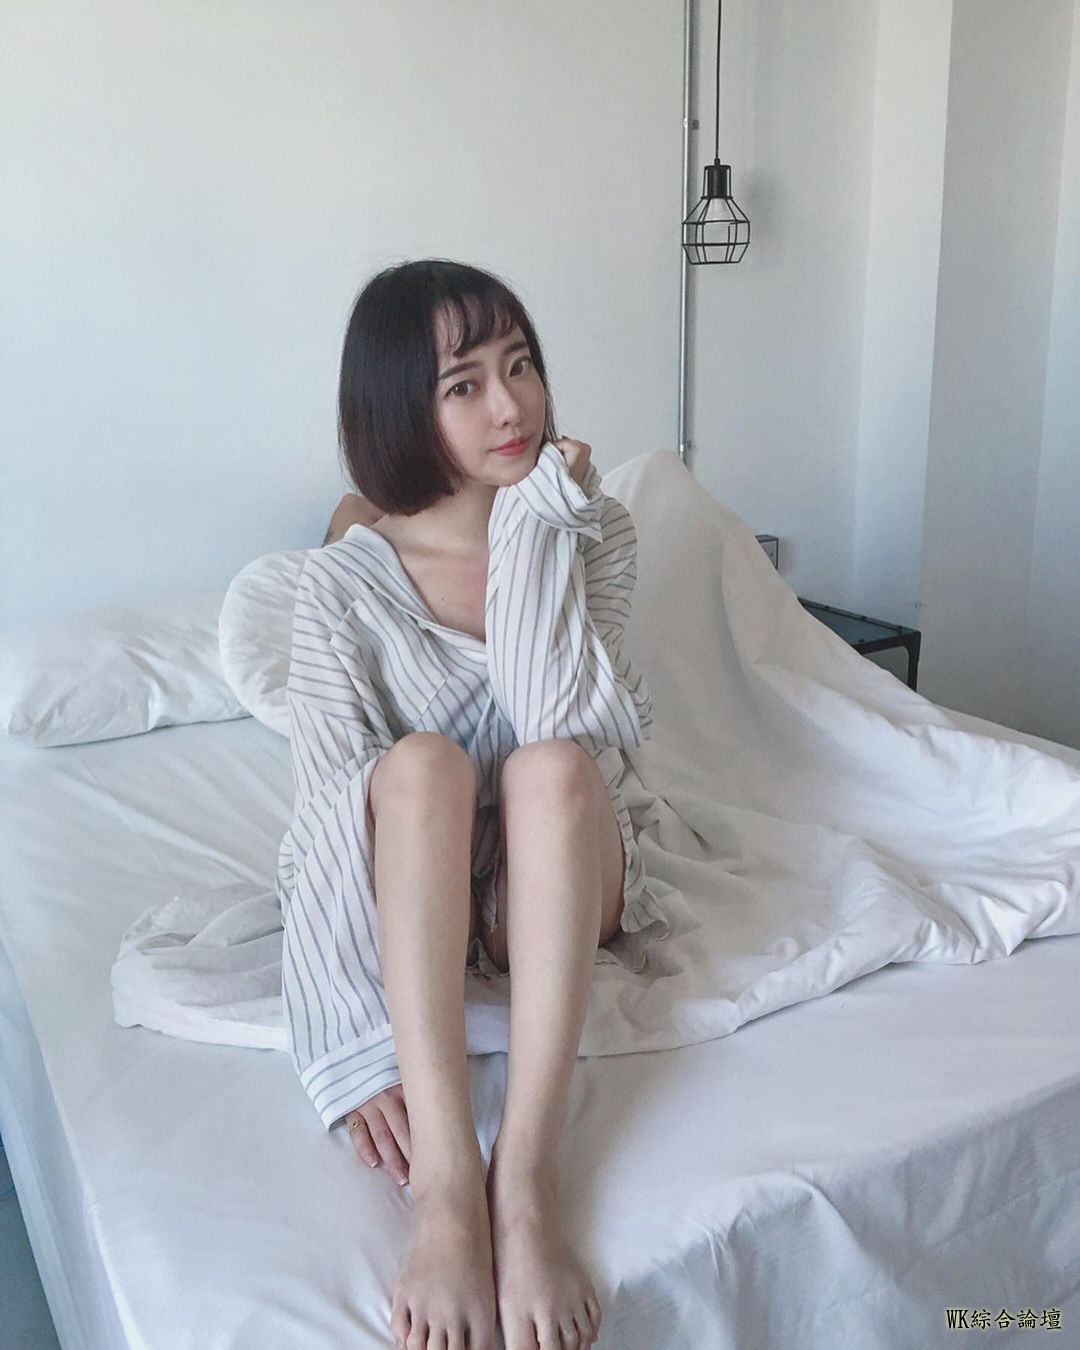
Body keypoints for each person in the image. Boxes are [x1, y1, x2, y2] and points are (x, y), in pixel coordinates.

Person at [280, 258, 657, 1350]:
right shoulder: (340, 586)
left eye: (521, 365)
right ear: (401, 406)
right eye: (464, 384)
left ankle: (525, 1178)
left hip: (567, 862)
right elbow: (323, 819)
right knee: (420, 766)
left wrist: (535, 524)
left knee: (549, 770)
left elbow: (554, 717)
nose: (511, 406)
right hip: (423, 876)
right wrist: (348, 1048)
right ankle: (450, 1185)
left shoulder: (593, 532)